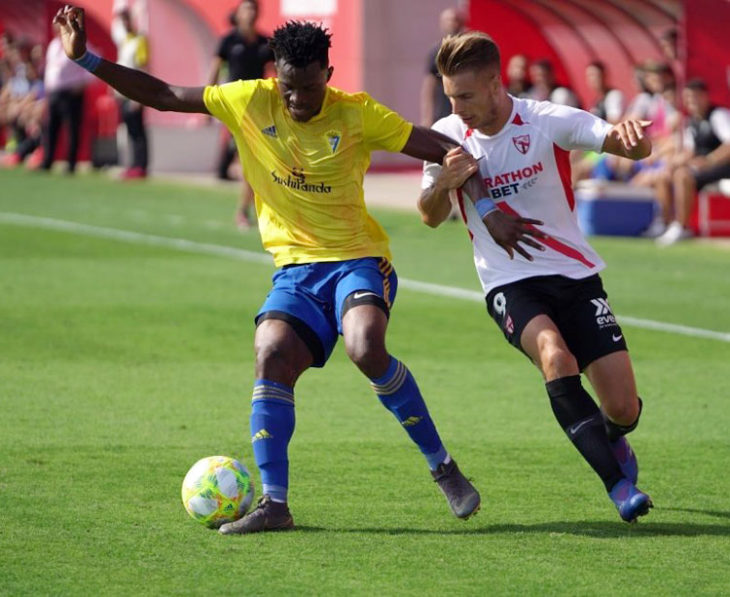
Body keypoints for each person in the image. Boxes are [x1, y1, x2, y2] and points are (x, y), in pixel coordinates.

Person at [53, 5, 542, 535]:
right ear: (274, 74)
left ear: (327, 77)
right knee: (270, 353)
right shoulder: (248, 99)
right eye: (287, 87)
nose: (296, 99)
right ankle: (275, 504)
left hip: (357, 261)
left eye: (307, 88)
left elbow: (447, 147)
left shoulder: (356, 113)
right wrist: (87, 59)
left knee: (365, 346)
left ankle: (443, 467)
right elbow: (168, 96)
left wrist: (489, 211)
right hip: (295, 273)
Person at [418, 31, 654, 523]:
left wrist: (633, 136)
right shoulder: (445, 136)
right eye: (449, 95)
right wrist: (444, 180)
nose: (456, 106)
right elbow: (430, 215)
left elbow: (624, 145)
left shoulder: (545, 120)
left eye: (465, 95)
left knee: (624, 408)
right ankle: (617, 486)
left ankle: (613, 436)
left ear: (494, 83)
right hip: (508, 284)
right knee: (554, 354)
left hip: (575, 275)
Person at [208, 0, 274, 229]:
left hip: (257, 110)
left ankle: (245, 209)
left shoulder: (265, 43)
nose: (251, 13)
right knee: (245, 162)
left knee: (253, 162)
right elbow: (215, 71)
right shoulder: (228, 41)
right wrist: (207, 105)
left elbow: (275, 75)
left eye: (254, 9)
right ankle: (245, 209)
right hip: (233, 109)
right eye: (246, 9)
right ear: (238, 14)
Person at [653, 78, 730, 246]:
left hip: (723, 166)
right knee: (663, 176)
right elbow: (690, 151)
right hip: (704, 168)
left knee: (682, 175)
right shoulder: (691, 122)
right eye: (688, 97)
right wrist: (673, 163)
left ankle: (682, 226)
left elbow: (729, 145)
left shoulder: (718, 115)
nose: (691, 101)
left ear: (705, 97)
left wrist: (710, 160)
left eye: (695, 96)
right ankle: (665, 223)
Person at [40, 22, 91, 173]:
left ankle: (71, 164)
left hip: (71, 93)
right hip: (54, 93)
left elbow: (94, 66)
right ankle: (47, 161)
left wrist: (81, 84)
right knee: (50, 128)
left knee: (72, 129)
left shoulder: (78, 44)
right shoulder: (54, 45)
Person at [111, 6, 149, 179]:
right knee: (129, 130)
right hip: (123, 92)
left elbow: (144, 67)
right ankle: (133, 164)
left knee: (138, 130)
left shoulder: (140, 40)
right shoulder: (125, 41)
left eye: (126, 20)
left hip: (135, 92)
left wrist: (140, 96)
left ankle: (141, 165)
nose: (125, 23)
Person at [419, 7, 465, 127]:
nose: (453, 24)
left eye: (456, 20)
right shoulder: (436, 52)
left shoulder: (468, 49)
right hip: (443, 111)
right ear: (442, 24)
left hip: (466, 110)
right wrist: (427, 117)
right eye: (449, 20)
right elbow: (430, 85)